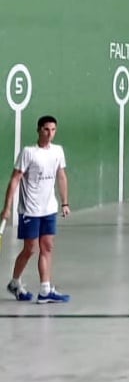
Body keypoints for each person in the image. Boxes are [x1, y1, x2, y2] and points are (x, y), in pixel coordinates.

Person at [1, 115, 71, 303]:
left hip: (49, 208)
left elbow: (61, 176)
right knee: (30, 249)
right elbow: (15, 179)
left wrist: (65, 202)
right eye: (46, 129)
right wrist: (6, 208)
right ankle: (15, 282)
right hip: (30, 210)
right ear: (39, 130)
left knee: (47, 247)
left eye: (53, 130)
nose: (50, 134)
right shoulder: (28, 152)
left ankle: (45, 290)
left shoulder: (58, 151)